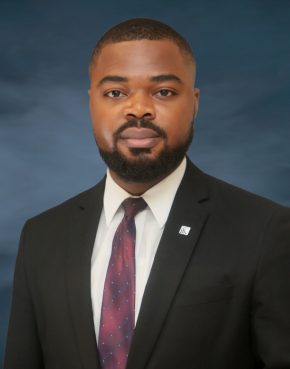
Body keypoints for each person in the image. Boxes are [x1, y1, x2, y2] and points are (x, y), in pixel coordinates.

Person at [4, 18, 290, 369]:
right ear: (91, 103)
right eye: (115, 92)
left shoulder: (267, 231)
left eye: (164, 92)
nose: (138, 109)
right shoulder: (41, 236)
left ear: (195, 102)